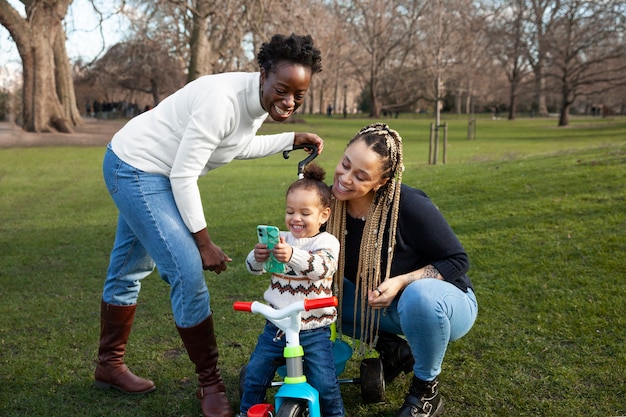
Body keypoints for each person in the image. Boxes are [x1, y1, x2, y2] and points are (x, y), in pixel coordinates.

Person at [96, 33, 323, 417]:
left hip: (152, 170)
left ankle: (108, 365)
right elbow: (184, 175)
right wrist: (203, 243)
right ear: (263, 73)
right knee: (186, 271)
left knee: (130, 269)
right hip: (136, 168)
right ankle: (210, 382)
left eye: (298, 97)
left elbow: (231, 147)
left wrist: (291, 136)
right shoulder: (222, 101)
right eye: (283, 91)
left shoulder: (253, 103)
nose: (288, 102)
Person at [326, 123, 478, 417]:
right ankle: (393, 350)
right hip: (381, 306)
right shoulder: (330, 204)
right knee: (318, 295)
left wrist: (402, 281)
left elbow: (457, 260)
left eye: (360, 176)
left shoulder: (409, 204)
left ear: (382, 181)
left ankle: (425, 392)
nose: (345, 178)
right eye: (345, 164)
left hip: (445, 305)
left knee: (417, 295)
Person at [240, 163, 344, 417]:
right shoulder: (281, 239)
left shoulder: (326, 241)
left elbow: (322, 268)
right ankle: (246, 412)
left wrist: (292, 255)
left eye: (305, 213)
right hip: (276, 326)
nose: (296, 218)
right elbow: (253, 269)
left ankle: (334, 415)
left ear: (324, 215)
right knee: (254, 375)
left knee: (324, 383)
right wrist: (258, 255)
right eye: (290, 211)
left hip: (313, 327)